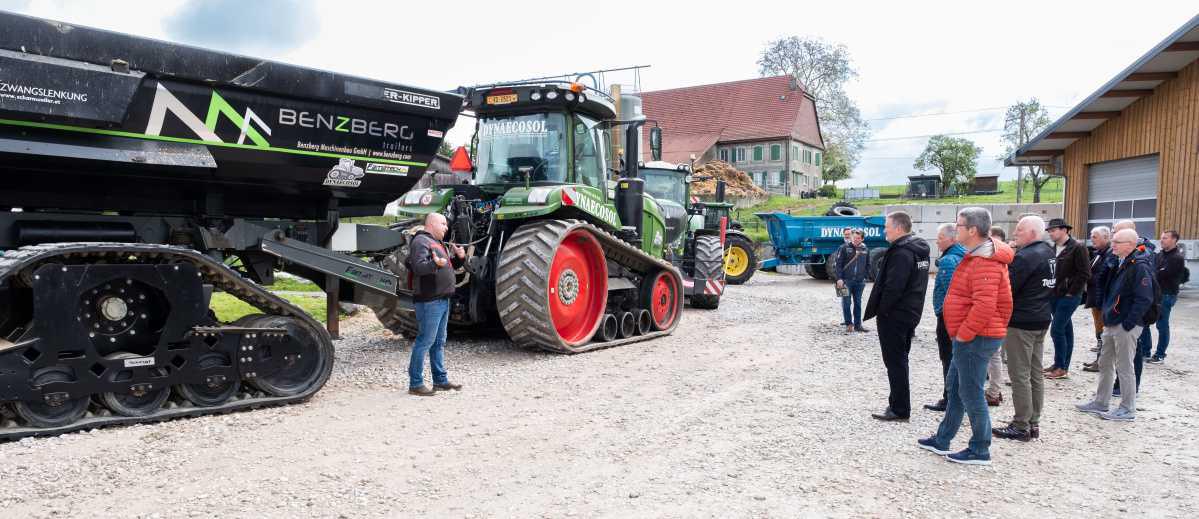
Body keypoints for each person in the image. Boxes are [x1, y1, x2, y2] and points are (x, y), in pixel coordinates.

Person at [917, 207, 1013, 465]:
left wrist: (964, 334)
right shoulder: (977, 255)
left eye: (958, 225)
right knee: (956, 388)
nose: (954, 229)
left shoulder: (984, 261)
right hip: (970, 336)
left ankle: (980, 449)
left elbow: (985, 305)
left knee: (971, 393)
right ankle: (943, 438)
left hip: (975, 337)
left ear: (972, 230)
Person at [1075, 229, 1153, 422]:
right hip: (1111, 322)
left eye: (1117, 242)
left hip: (1125, 324)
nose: (1113, 245)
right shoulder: (1118, 263)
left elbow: (1144, 299)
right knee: (1105, 362)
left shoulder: (1139, 266)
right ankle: (1101, 401)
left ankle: (1127, 408)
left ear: (1130, 244)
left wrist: (1128, 323)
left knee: (1125, 367)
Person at [993, 216, 1055, 442]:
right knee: (1035, 372)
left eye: (1019, 230)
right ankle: (1033, 421)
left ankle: (1021, 425)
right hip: (1041, 317)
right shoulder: (1049, 253)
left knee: (1020, 374)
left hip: (1022, 321)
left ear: (1032, 233)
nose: (1015, 233)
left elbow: (1007, 288)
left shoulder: (1025, 257)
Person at [864, 211, 930, 422]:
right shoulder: (918, 249)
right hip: (910, 312)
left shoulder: (901, 252)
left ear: (899, 228)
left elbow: (894, 287)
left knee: (895, 361)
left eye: (887, 226)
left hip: (896, 316)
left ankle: (900, 409)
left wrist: (882, 311)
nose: (884, 230)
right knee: (900, 360)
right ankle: (898, 403)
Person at [406, 212, 466, 396]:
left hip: (442, 300)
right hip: (429, 301)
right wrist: (435, 264)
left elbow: (445, 267)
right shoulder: (421, 242)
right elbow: (419, 267)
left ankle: (440, 380)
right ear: (431, 224)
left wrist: (459, 259)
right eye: (443, 224)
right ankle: (415, 384)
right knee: (425, 341)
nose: (446, 227)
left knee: (438, 342)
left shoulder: (438, 243)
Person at [924, 223, 966, 412]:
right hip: (954, 317)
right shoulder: (962, 254)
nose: (937, 241)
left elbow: (952, 293)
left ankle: (950, 399)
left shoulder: (949, 260)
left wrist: (942, 312)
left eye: (940, 237)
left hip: (948, 317)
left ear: (952, 238)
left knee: (948, 358)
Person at [1111, 220, 1155, 392]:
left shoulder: (1142, 258)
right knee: (1121, 355)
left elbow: (1144, 296)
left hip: (1130, 316)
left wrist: (1129, 322)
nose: (1113, 239)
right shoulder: (1118, 256)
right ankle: (1118, 385)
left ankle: (1128, 389)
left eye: (1117, 234)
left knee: (1132, 354)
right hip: (1117, 313)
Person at [1044, 218, 1090, 380]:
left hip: (1069, 296)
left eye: (1053, 230)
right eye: (1049, 230)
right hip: (1054, 294)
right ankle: (1060, 365)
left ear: (1064, 230)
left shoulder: (1077, 247)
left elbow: (1085, 273)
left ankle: (1061, 366)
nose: (1050, 233)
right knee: (1065, 329)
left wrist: (1072, 292)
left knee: (1056, 329)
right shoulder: (1052, 248)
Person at [1148, 230, 1186, 363]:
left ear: (1174, 240)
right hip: (1154, 293)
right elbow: (1153, 271)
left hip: (1167, 294)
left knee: (1162, 325)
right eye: (1161, 238)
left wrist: (1154, 272)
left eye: (1165, 238)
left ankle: (1160, 355)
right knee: (1144, 321)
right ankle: (1146, 352)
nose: (1161, 240)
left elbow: (1158, 274)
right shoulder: (1159, 255)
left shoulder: (1176, 258)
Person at [1082, 227, 1115, 372]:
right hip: (1095, 298)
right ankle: (1098, 360)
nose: (1092, 239)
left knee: (1102, 331)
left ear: (1106, 237)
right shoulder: (1098, 254)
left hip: (1101, 300)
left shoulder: (1108, 254)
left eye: (1095, 236)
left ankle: (1101, 362)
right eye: (1091, 236)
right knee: (1098, 330)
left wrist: (1087, 278)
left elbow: (1103, 277)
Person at [985, 226, 1009, 406]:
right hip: (997, 315)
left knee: (994, 355)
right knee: (994, 355)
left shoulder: (997, 261)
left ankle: (994, 391)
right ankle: (994, 390)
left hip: (994, 316)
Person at [835, 229, 870, 333]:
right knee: (846, 303)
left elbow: (868, 265)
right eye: (854, 237)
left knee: (858, 303)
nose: (856, 240)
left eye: (858, 238)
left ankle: (858, 325)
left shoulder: (865, 249)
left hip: (859, 282)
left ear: (862, 239)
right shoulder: (844, 248)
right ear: (851, 237)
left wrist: (865, 277)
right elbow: (838, 265)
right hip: (845, 281)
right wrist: (839, 279)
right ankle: (849, 323)